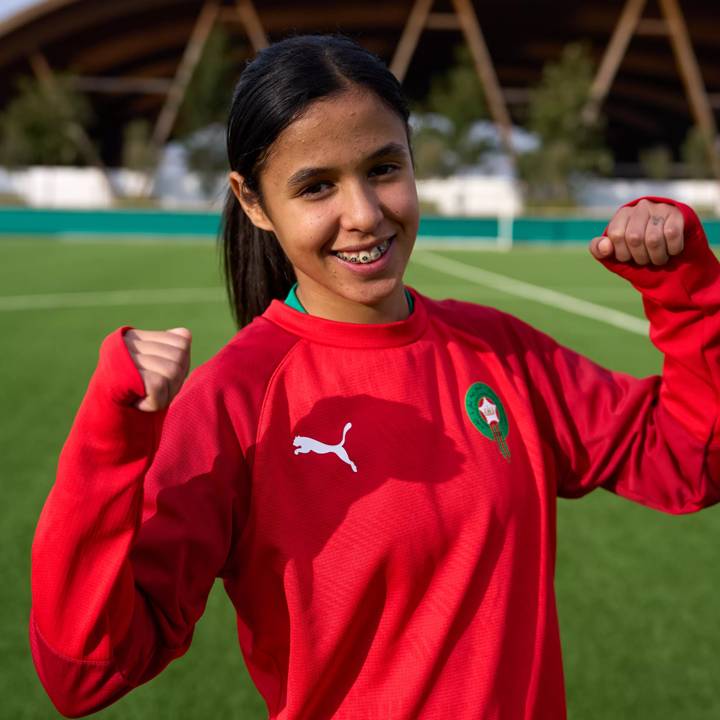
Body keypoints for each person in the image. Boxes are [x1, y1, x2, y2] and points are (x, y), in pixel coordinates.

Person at [30, 35, 720, 719]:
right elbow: (87, 672)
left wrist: (684, 289)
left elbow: (692, 458)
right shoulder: (236, 401)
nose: (363, 214)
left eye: (384, 168)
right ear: (253, 201)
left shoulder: (498, 351)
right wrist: (112, 440)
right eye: (316, 186)